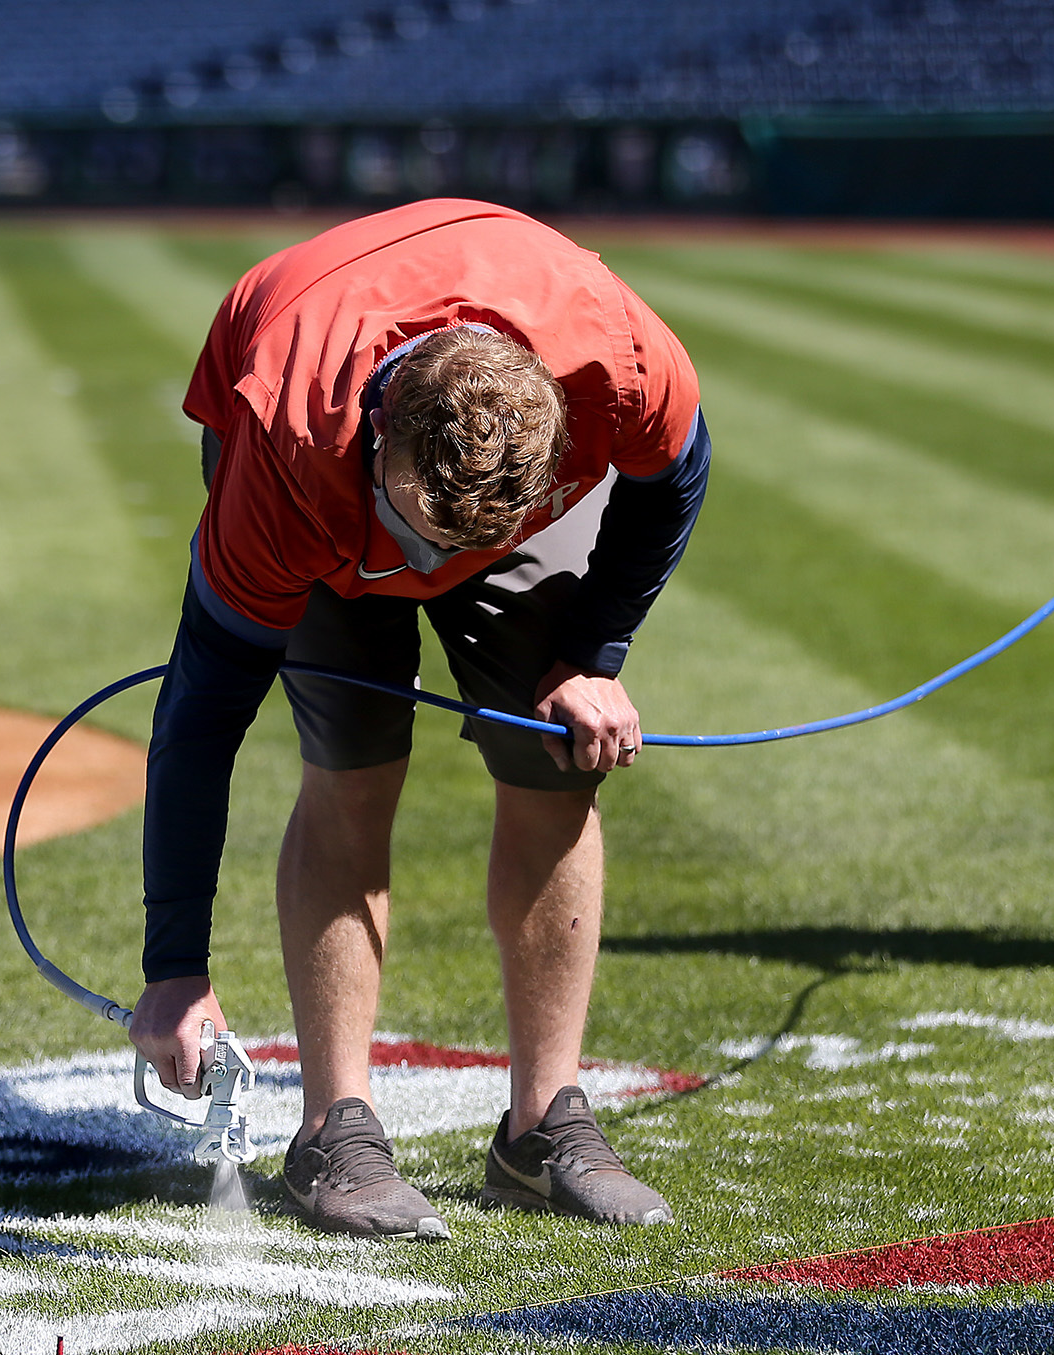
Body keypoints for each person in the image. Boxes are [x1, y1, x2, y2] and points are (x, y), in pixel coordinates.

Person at [131, 198, 708, 1240]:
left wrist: (593, 653)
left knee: (553, 759)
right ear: (380, 440)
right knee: (350, 763)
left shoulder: (611, 350)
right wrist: (173, 968)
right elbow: (202, 707)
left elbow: (678, 476)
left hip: (478, 439)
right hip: (307, 432)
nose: (427, 574)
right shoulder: (287, 446)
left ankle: (541, 1130)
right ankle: (332, 1132)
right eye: (414, 531)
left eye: (458, 547)